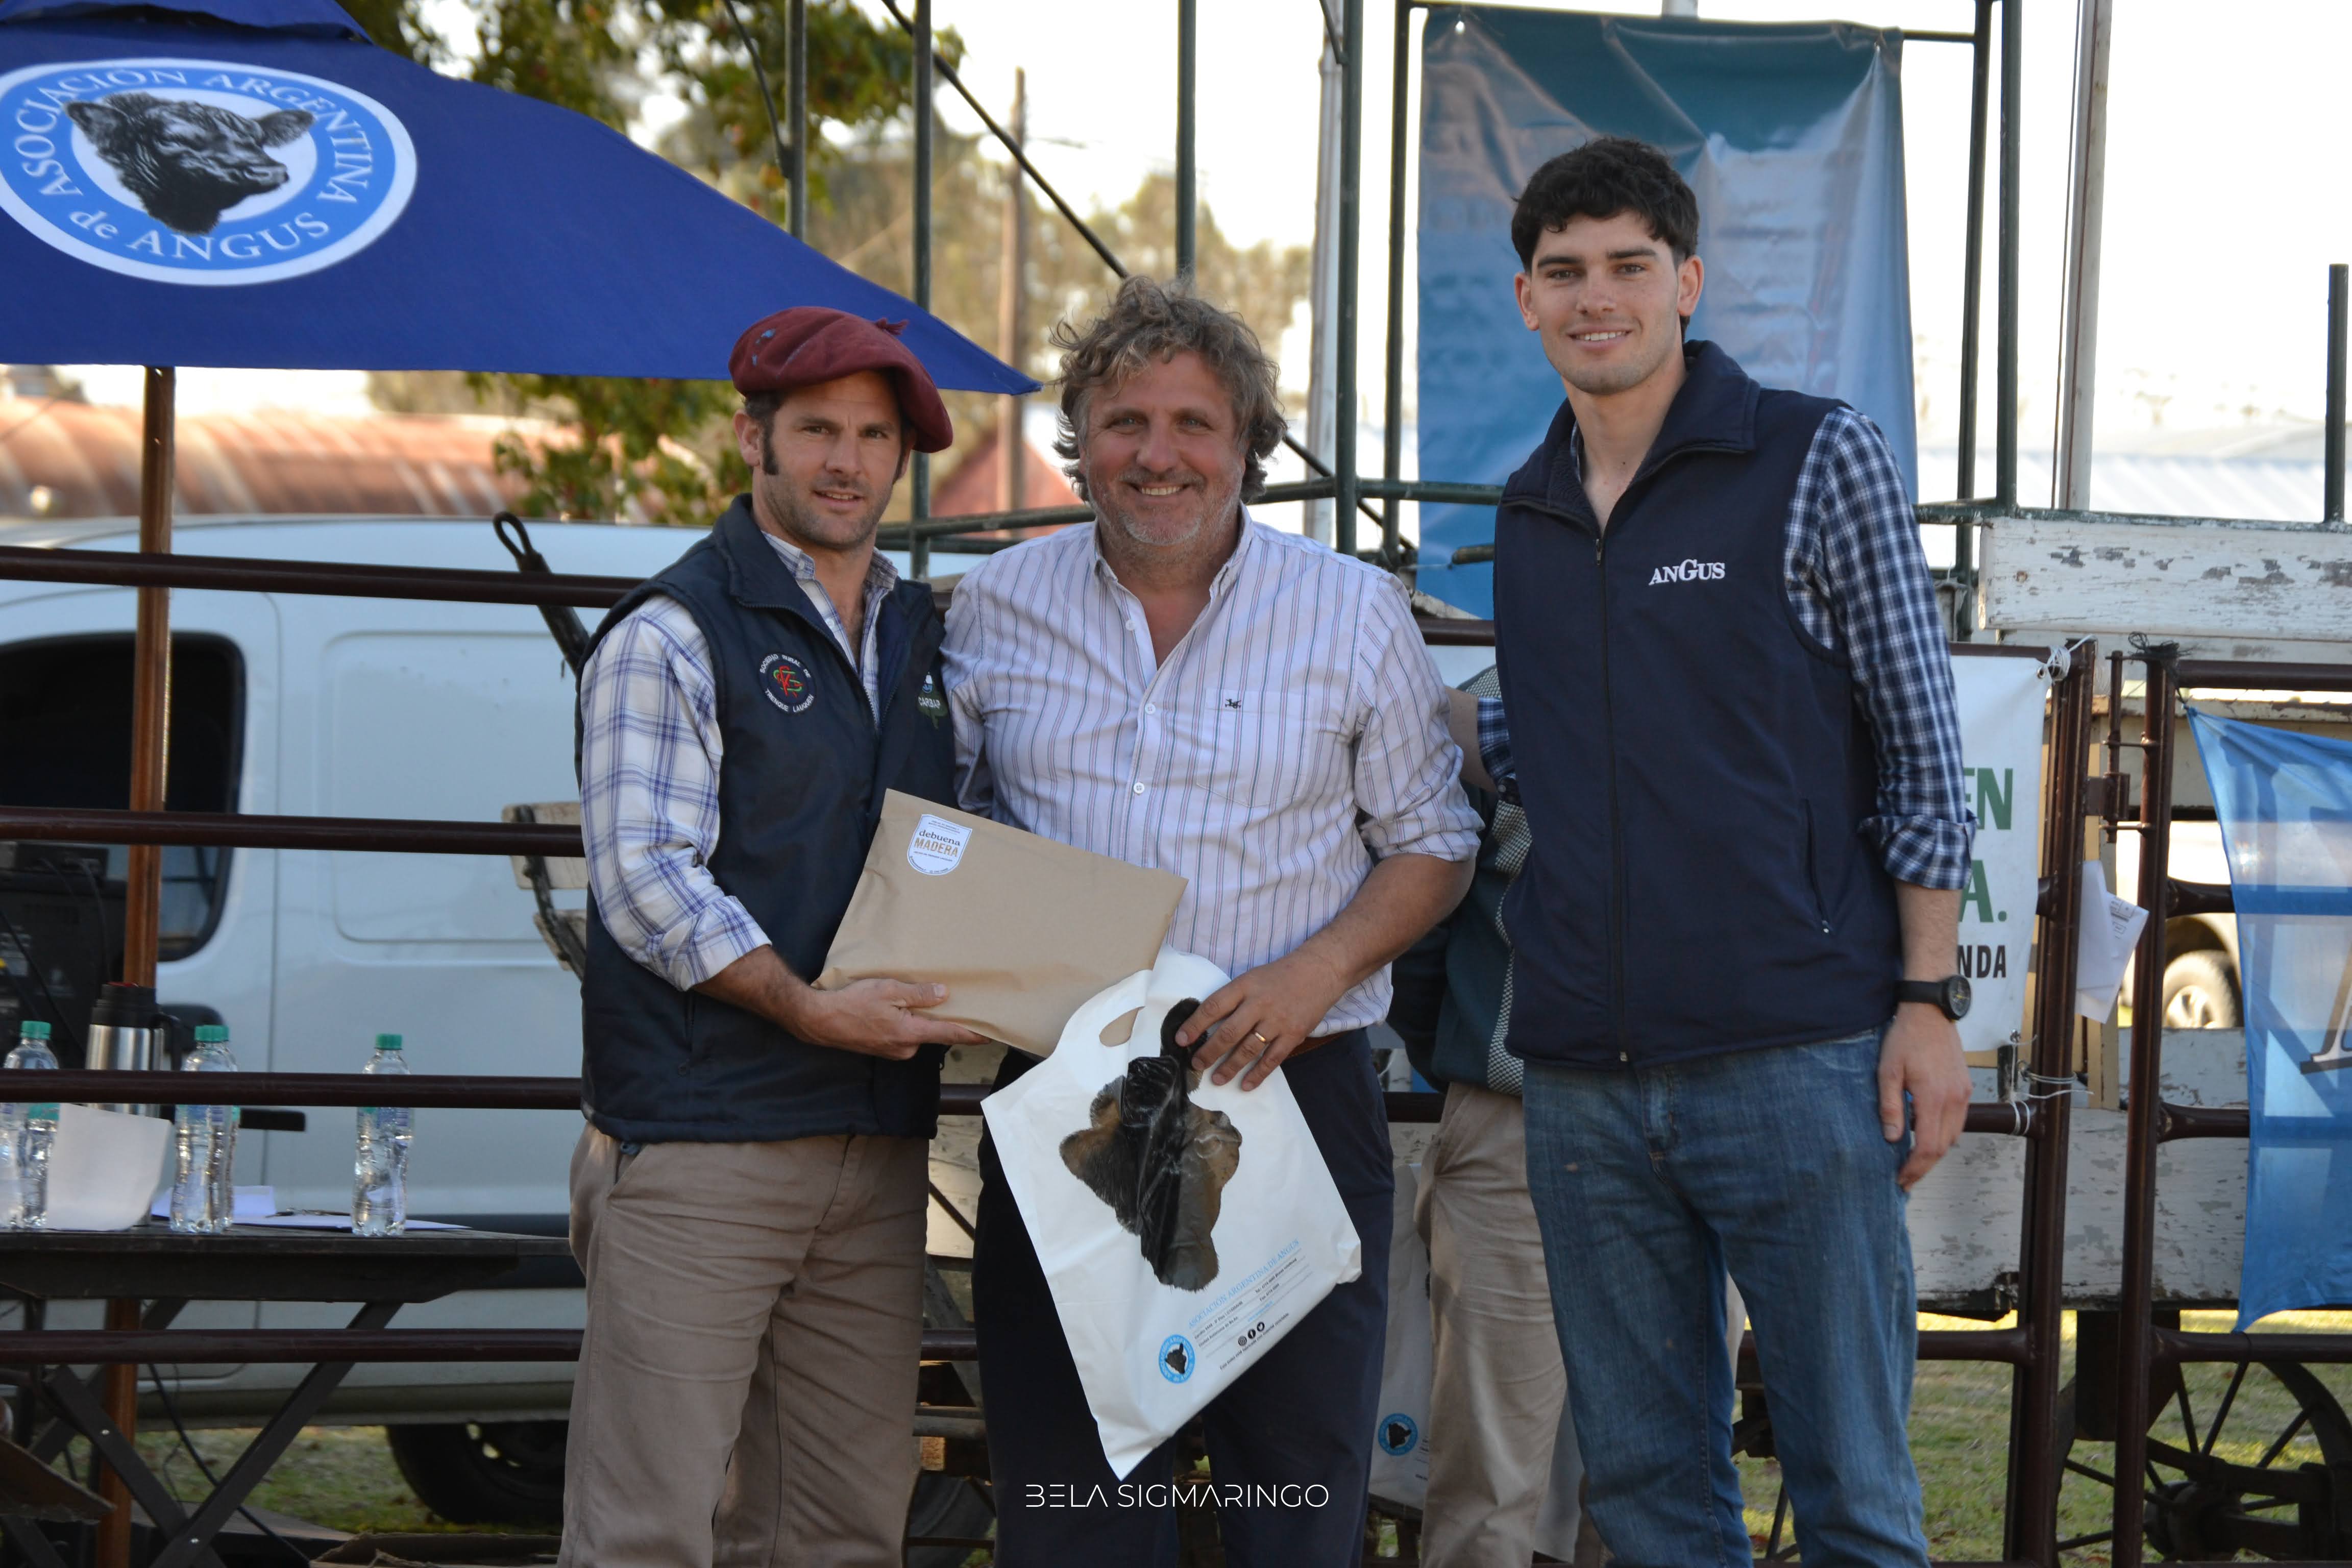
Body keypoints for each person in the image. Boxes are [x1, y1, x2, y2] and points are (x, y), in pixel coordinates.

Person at [1463, 138, 1975, 1568]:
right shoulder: (1528, 509)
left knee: (1854, 1491)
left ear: (1687, 282)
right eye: (1565, 271)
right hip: (1580, 1079)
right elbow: (1543, 738)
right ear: (1526, 298)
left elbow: (1925, 746)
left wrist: (1925, 1002)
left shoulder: (1818, 456)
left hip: (1796, 1061)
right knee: (1645, 1499)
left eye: (1629, 266)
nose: (1597, 297)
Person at [944, 274, 1482, 1565]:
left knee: (1292, 1503)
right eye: (1125, 421)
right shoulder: (991, 611)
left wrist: (1314, 973)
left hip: (1293, 1092)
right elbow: (949, 839)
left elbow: (1437, 842)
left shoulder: (1350, 611)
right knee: (1075, 1510)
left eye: (1195, 422)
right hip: (1070, 1109)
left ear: (1248, 444)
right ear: (1080, 441)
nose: (1159, 454)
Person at [563, 306, 985, 1568]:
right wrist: (807, 1007)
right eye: (816, 431)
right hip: (708, 1143)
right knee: (647, 1529)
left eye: (873, 436)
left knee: (842, 1526)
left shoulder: (925, 637)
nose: (846, 462)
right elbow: (644, 877)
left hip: (877, 1143)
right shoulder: (673, 630)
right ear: (753, 438)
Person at [1386, 664, 1588, 1568]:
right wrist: (1477, 1060)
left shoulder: (1502, 694)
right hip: (1524, 1120)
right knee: (1490, 1486)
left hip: (1686, 1121)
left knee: (1665, 1476)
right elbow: (1424, 906)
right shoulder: (1499, 699)